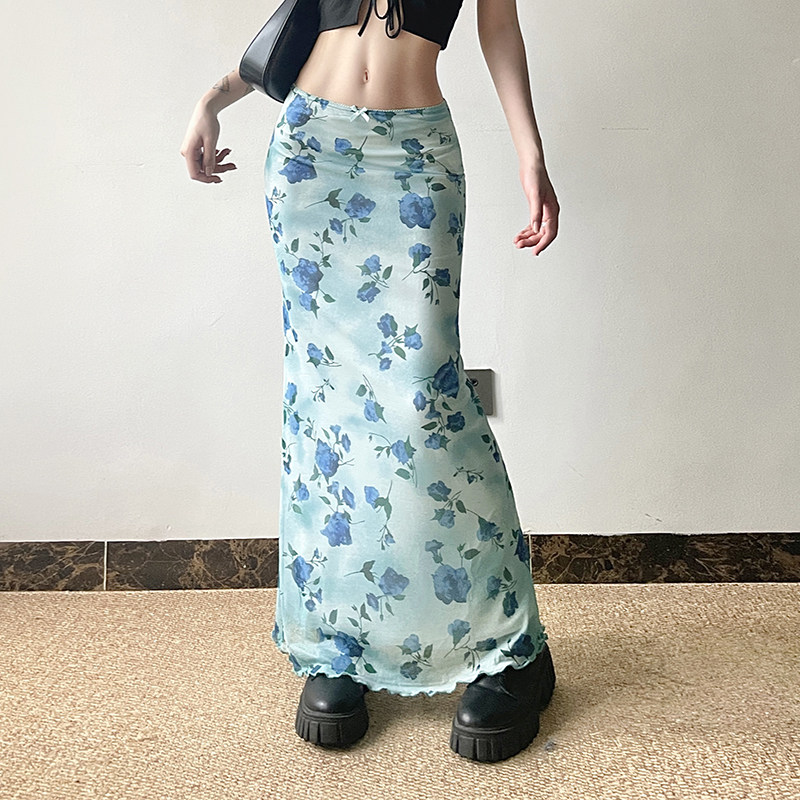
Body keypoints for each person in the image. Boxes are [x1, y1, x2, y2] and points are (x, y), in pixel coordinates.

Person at [180, 0, 559, 763]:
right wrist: (213, 98)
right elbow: (300, 15)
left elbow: (497, 24)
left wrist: (531, 153)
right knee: (323, 404)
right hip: (308, 150)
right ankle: (338, 642)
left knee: (427, 400)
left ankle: (516, 649)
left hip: (415, 152)